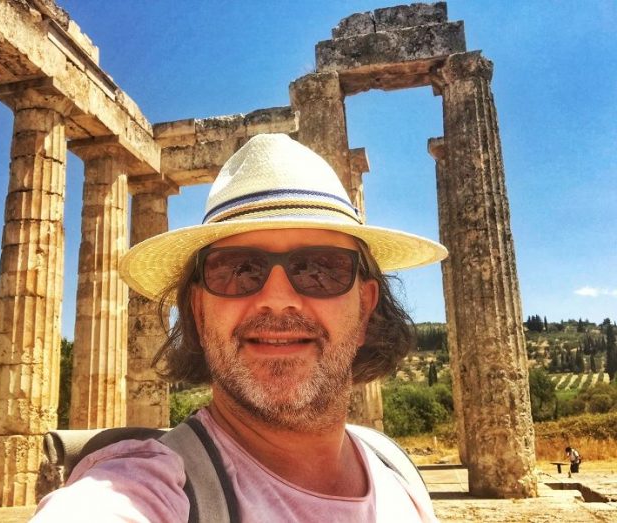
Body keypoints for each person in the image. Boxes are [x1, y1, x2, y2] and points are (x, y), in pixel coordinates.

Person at [32, 133, 447, 522]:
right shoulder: (135, 490)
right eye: (238, 269)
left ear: (366, 309)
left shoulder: (397, 471)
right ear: (198, 311)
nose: (277, 298)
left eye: (320, 268)